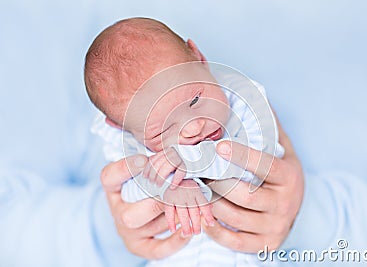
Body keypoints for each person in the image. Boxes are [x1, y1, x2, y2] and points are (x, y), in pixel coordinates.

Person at [85, 17, 286, 265]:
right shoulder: (127, 142)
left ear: (199, 59)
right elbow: (127, 195)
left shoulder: (243, 105)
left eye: (195, 100)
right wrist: (170, 186)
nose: (193, 127)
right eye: (163, 130)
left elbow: (256, 167)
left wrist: (189, 163)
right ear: (124, 128)